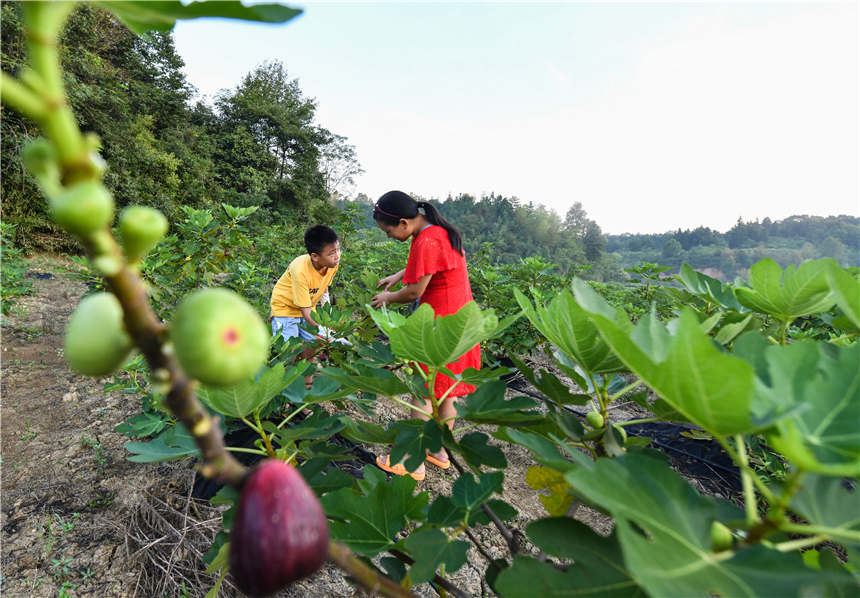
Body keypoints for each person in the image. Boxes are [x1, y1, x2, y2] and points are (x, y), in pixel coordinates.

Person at [370, 190, 480, 481]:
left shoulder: (428, 240)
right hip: (459, 324)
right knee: (446, 391)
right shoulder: (434, 231)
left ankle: (410, 460)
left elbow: (415, 291)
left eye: (389, 230)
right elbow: (427, 267)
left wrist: (388, 297)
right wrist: (398, 275)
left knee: (424, 389)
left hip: (440, 322)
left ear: (404, 223)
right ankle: (438, 451)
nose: (390, 236)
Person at [270, 225, 341, 387]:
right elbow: (306, 312)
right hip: (286, 309)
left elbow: (324, 290)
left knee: (312, 348)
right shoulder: (301, 270)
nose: (337, 256)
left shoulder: (332, 263)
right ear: (315, 256)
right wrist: (326, 330)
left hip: (310, 306)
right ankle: (287, 398)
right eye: (331, 253)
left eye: (337, 249)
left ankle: (306, 390)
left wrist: (328, 318)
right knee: (290, 354)